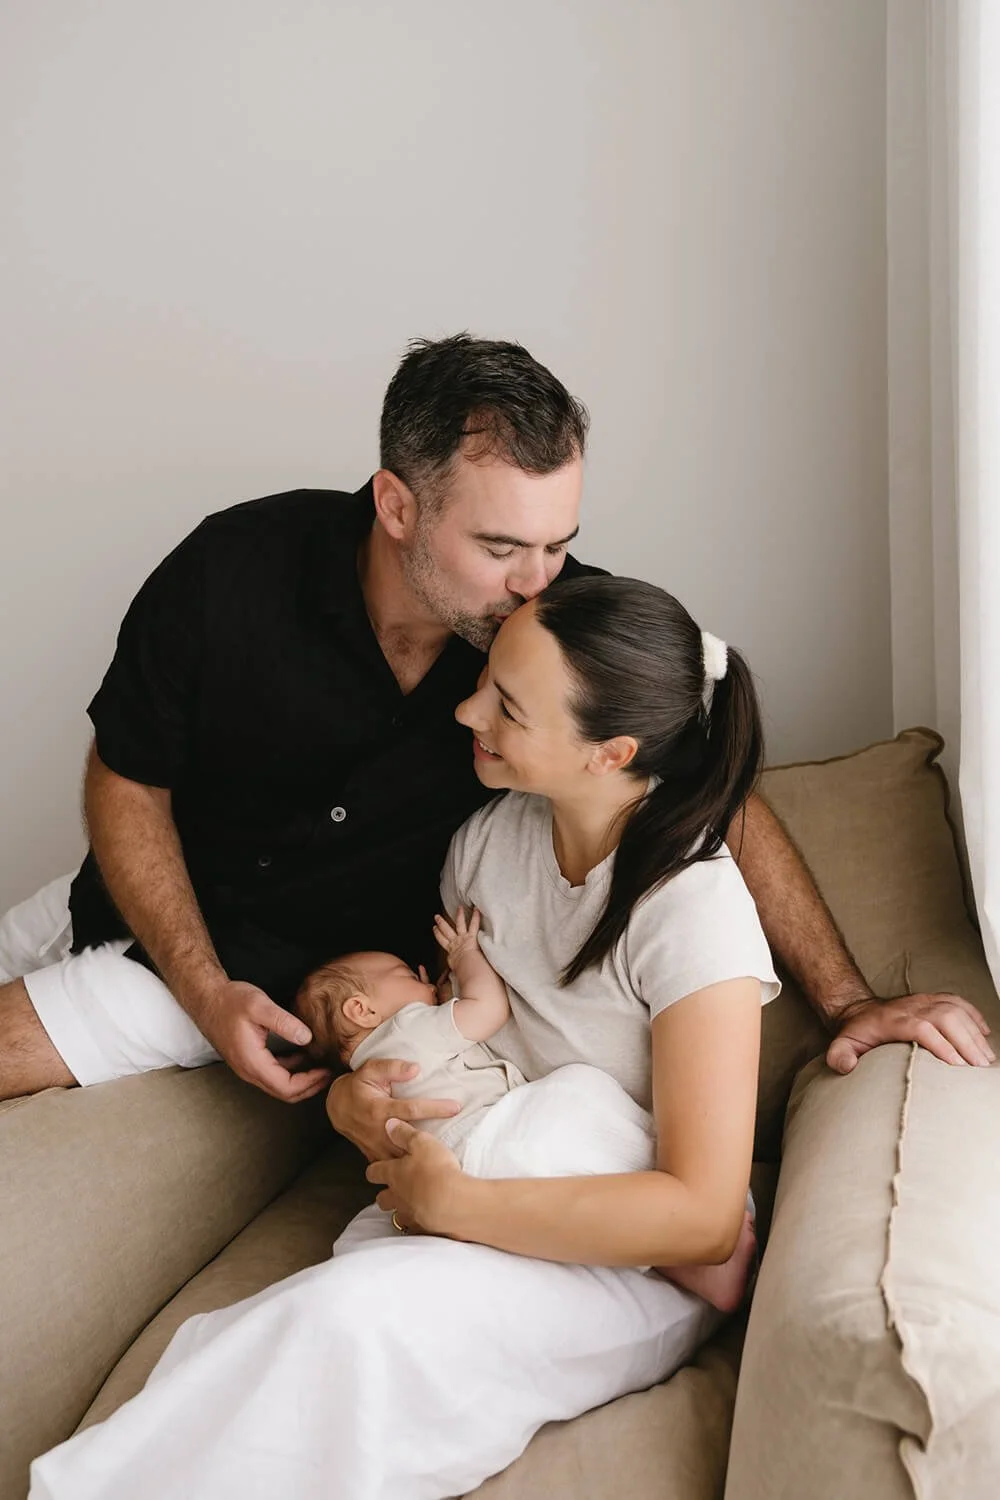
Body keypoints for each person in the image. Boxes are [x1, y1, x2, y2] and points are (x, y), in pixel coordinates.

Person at [0, 334, 990, 1112]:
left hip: (272, 975)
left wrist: (850, 1002)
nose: (536, 580)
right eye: (500, 545)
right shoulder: (230, 573)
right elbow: (127, 776)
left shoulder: (557, 641)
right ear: (395, 505)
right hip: (140, 903)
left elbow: (707, 798)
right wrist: (197, 975)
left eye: (558, 543)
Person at [30, 574, 778, 1499]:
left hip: (626, 1250)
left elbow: (704, 1220)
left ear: (608, 752)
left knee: (352, 1327)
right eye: (484, 680)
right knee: (268, 1335)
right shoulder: (489, 845)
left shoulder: (691, 910)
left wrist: (456, 1208)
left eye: (506, 704)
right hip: (467, 1166)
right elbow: (412, 1022)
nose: (467, 709)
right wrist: (353, 1099)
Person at [295, 911, 757, 1313]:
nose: (423, 977)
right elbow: (488, 1008)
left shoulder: (371, 1073)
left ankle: (681, 1242)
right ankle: (683, 1249)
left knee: (577, 1152)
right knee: (578, 1093)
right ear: (361, 1009)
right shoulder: (406, 1031)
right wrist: (465, 955)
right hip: (486, 1142)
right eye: (405, 974)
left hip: (455, 1165)